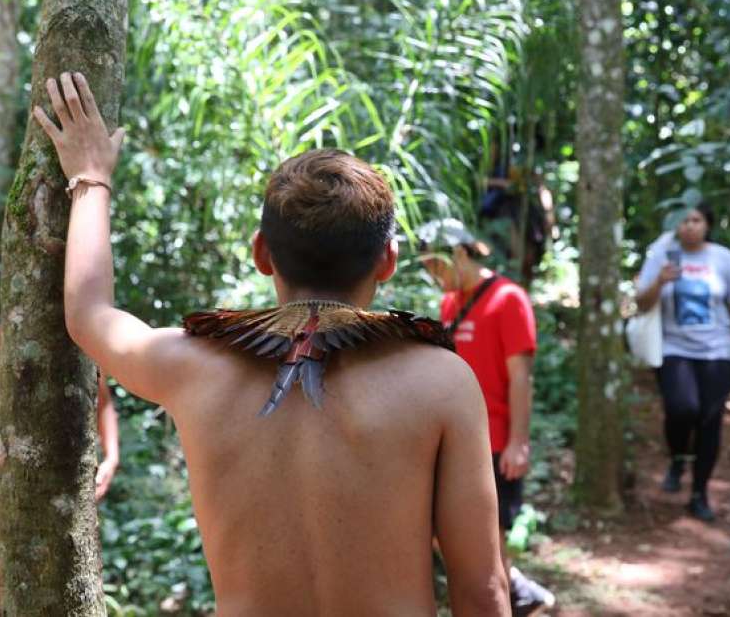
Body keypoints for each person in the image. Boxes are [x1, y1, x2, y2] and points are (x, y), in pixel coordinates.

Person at [32, 72, 509, 615]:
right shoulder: (442, 382)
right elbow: (483, 591)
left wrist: (90, 178)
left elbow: (89, 314)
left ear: (262, 254)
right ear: (388, 260)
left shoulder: (192, 366)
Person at [418, 218, 555, 617]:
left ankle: (507, 593)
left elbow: (521, 377)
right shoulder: (448, 304)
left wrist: (519, 441)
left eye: (436, 266)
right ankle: (516, 589)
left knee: (488, 541)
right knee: (438, 529)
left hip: (495, 441)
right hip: (453, 440)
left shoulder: (508, 299)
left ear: (460, 254)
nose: (433, 276)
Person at [0, 323, 119, 617]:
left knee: (64, 570)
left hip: (71, 469)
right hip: (15, 463)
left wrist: (112, 458)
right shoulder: (12, 325)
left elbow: (103, 401)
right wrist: (39, 404)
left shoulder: (86, 327)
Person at [634, 203, 730, 521]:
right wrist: (659, 281)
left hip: (718, 349)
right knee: (682, 408)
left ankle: (699, 493)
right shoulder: (662, 254)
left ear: (707, 224)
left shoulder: (723, 258)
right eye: (684, 221)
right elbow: (640, 303)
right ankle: (677, 457)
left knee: (710, 421)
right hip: (674, 347)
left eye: (696, 220)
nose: (689, 226)